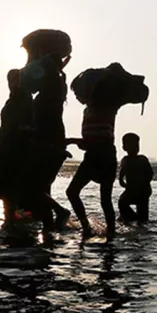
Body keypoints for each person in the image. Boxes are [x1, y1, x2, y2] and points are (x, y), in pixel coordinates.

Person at [66, 73, 124, 240]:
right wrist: (73, 141)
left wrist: (71, 140)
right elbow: (88, 142)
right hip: (92, 156)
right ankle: (86, 226)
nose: (77, 97)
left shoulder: (108, 107)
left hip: (104, 156)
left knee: (105, 199)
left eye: (78, 93)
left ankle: (110, 232)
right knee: (73, 192)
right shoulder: (87, 111)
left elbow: (95, 140)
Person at [26, 54, 72, 231]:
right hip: (53, 143)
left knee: (33, 187)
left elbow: (43, 121)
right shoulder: (58, 85)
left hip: (47, 145)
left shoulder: (48, 95)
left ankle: (59, 212)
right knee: (43, 186)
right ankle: (48, 230)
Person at [0, 69, 33, 220]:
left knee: (6, 192)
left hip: (15, 151)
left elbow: (26, 122)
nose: (12, 83)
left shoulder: (24, 97)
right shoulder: (11, 100)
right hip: (5, 150)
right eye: (10, 79)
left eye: (16, 79)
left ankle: (8, 219)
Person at [118, 133, 154, 223]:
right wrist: (123, 183)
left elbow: (150, 174)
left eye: (137, 145)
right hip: (131, 189)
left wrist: (143, 183)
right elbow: (121, 175)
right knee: (122, 202)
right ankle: (130, 218)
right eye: (132, 146)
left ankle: (137, 220)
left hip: (143, 191)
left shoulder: (142, 159)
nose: (135, 148)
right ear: (124, 148)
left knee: (143, 214)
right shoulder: (125, 160)